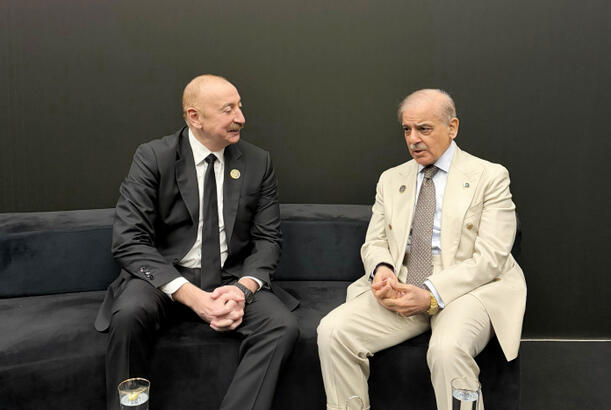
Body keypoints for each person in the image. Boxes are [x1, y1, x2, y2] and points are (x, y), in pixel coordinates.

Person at [95, 74, 299, 410]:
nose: (241, 118)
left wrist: (243, 289)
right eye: (228, 110)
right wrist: (192, 297)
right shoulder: (153, 157)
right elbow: (128, 240)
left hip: (231, 278)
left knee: (282, 326)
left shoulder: (257, 162)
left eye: (240, 107)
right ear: (195, 117)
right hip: (165, 277)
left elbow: (268, 239)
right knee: (128, 315)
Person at [317, 89, 526, 410]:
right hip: (404, 281)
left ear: (452, 127)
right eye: (407, 129)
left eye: (424, 129)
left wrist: (430, 294)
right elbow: (375, 241)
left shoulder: (489, 176)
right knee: (333, 332)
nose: (413, 139)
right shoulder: (391, 179)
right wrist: (383, 269)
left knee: (447, 348)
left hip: (470, 286)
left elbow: (491, 258)